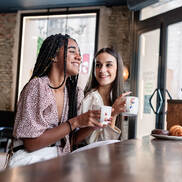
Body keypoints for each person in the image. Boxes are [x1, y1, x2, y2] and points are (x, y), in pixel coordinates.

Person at [8, 33, 104, 167]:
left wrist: (92, 125)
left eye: (79, 53)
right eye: (72, 51)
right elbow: (31, 144)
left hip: (57, 158)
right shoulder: (38, 87)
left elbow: (71, 140)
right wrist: (75, 122)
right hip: (30, 161)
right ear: (53, 56)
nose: (79, 57)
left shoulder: (75, 93)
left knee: (106, 147)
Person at [80, 47, 130, 144]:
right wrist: (113, 113)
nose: (102, 70)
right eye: (98, 65)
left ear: (118, 69)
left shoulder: (114, 97)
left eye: (108, 65)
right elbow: (96, 144)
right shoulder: (91, 99)